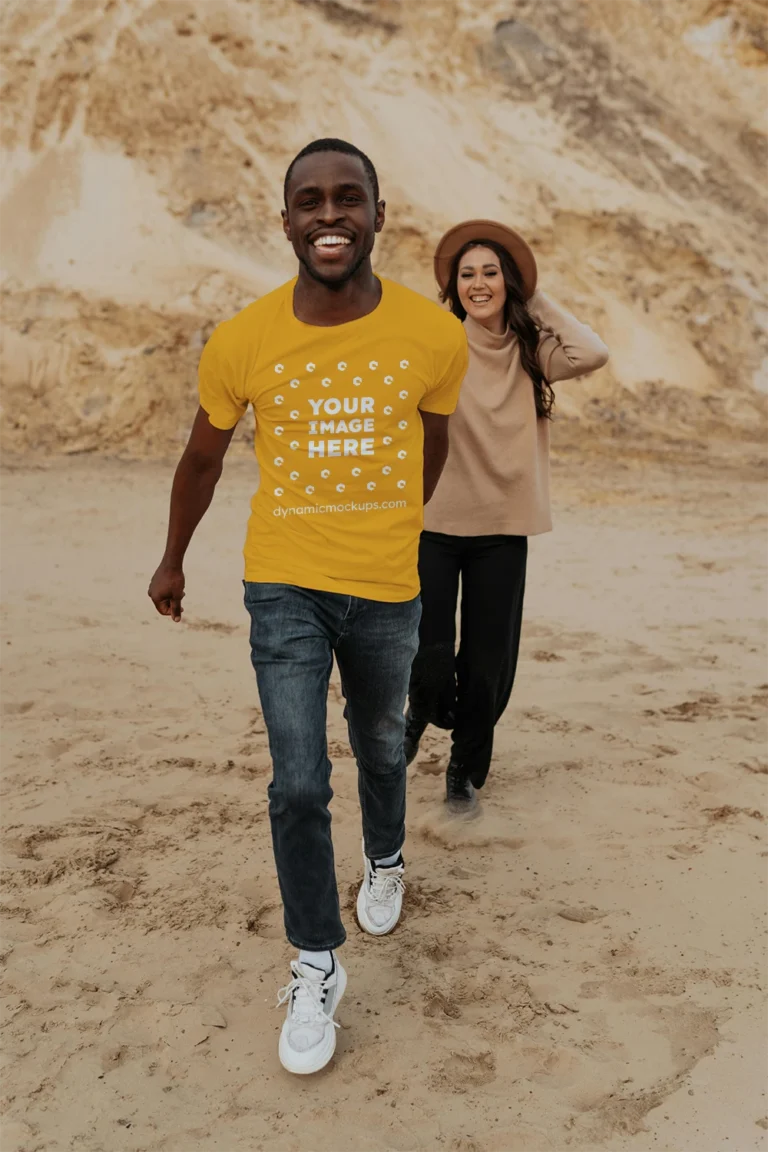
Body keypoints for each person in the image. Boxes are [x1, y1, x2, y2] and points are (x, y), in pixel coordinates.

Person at [148, 139, 468, 1075]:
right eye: (310, 202)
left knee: (378, 744)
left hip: (384, 585)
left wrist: (402, 527)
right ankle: (316, 959)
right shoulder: (243, 338)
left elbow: (431, 445)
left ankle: (384, 857)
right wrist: (173, 558)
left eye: (348, 199)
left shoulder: (431, 335)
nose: (330, 217)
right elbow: (203, 458)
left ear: (378, 213)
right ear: (285, 219)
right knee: (296, 779)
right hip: (282, 580)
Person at [403, 220, 609, 812]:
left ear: (508, 280)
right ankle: (418, 711)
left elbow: (592, 352)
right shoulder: (438, 342)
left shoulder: (533, 351)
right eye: (466, 274)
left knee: (486, 662)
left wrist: (532, 294)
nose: (478, 283)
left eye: (491, 272)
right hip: (435, 525)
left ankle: (461, 773)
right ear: (453, 286)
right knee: (431, 651)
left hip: (502, 530)